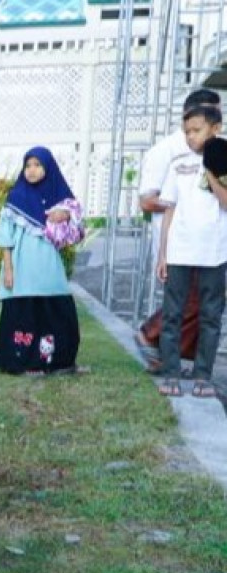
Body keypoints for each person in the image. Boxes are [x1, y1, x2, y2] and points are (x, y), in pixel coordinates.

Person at [134, 89, 221, 368]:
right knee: (185, 303)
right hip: (176, 241)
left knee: (204, 306)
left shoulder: (218, 150)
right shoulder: (167, 151)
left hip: (210, 243)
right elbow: (146, 201)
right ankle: (150, 334)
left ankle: (166, 355)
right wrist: (181, 203)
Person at [154, 105, 227, 398]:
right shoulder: (178, 163)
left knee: (211, 315)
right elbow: (169, 209)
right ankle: (171, 372)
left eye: (196, 130)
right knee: (173, 313)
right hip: (180, 251)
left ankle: (202, 375)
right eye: (187, 132)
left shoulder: (223, 160)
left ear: (216, 128)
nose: (190, 137)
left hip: (214, 252)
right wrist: (163, 253)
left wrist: (212, 168)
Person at [0, 148, 84, 375]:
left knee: (56, 310)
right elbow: (5, 238)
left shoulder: (58, 199)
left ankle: (58, 362)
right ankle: (23, 362)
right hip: (22, 268)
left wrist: (65, 214)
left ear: (48, 168)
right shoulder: (17, 197)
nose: (32, 170)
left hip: (48, 268)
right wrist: (8, 270)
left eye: (37, 165)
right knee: (23, 314)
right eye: (28, 165)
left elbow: (76, 227)